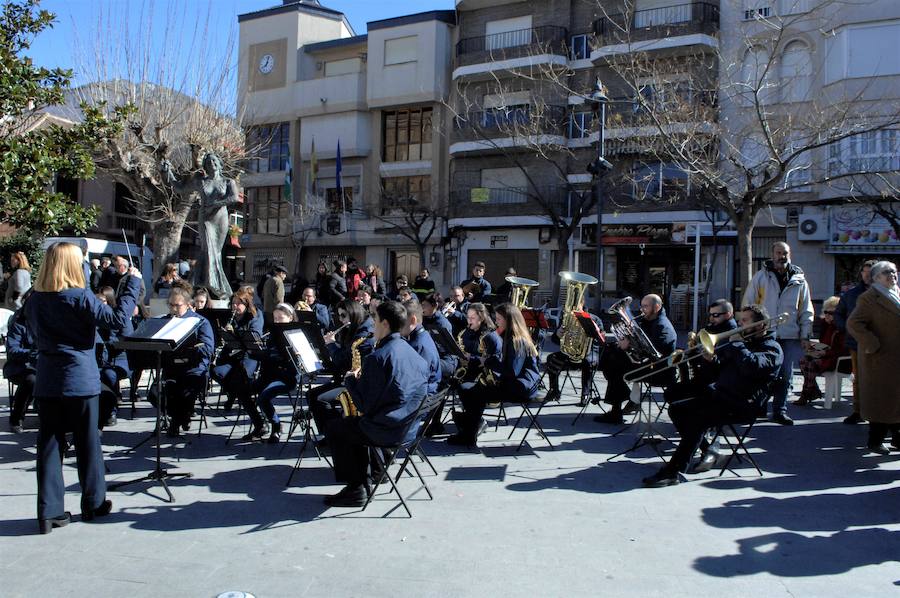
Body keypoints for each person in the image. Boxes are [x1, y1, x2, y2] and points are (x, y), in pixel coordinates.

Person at [24, 242, 141, 533]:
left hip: (49, 378)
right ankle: (93, 503)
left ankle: (48, 511)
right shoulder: (80, 297)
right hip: (79, 378)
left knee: (50, 445)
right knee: (88, 443)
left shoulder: (35, 299)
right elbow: (116, 320)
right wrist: (133, 284)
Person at [642, 304, 784, 487]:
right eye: (739, 320)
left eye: (745, 321)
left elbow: (752, 367)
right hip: (721, 395)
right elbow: (723, 368)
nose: (739, 324)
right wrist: (711, 360)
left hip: (743, 404)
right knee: (677, 409)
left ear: (761, 325)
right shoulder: (743, 343)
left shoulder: (772, 348)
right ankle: (708, 448)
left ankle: (672, 471)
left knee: (698, 419)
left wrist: (737, 345)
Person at [323, 301, 429, 507]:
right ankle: (376, 471)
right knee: (352, 426)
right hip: (410, 427)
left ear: (386, 324)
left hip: (388, 430)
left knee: (336, 427)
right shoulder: (411, 351)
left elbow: (364, 406)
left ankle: (356, 488)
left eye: (375, 320)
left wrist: (351, 381)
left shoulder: (378, 357)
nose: (372, 325)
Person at [449, 303, 540, 448]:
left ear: (508, 320)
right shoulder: (510, 336)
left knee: (476, 393)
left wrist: (486, 361)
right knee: (471, 390)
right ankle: (469, 429)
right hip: (515, 383)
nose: (496, 321)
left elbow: (511, 371)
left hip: (522, 388)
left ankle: (469, 434)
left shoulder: (517, 340)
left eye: (499, 318)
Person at [742, 242, 814, 425]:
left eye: (785, 253)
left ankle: (780, 410)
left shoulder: (800, 280)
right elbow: (749, 303)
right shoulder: (760, 277)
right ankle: (759, 407)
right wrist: (748, 329)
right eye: (779, 252)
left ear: (790, 254)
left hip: (789, 334)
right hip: (764, 334)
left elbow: (806, 309)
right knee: (764, 372)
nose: (782, 256)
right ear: (772, 254)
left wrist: (805, 335)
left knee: (785, 375)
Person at [662, 299, 738, 473]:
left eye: (716, 315)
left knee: (685, 407)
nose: (711, 318)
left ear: (728, 315)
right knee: (672, 394)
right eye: (710, 314)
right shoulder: (712, 329)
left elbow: (728, 366)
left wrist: (712, 359)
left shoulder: (733, 334)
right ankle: (705, 445)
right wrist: (693, 352)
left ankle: (709, 446)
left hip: (717, 385)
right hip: (704, 380)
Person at [595, 294, 677, 425]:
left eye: (645, 306)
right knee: (611, 354)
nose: (641, 309)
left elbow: (654, 354)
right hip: (648, 365)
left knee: (616, 368)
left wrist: (628, 345)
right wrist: (625, 342)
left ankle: (618, 411)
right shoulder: (649, 320)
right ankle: (628, 400)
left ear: (656, 307)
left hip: (659, 371)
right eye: (642, 306)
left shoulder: (663, 326)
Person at [847, 261, 900, 455]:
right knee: (882, 401)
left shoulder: (897, 292)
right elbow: (853, 323)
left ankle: (897, 438)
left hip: (896, 358)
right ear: (876, 277)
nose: (892, 275)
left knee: (895, 401)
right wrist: (872, 344)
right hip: (880, 358)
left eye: (894, 271)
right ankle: (875, 441)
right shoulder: (869, 298)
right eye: (887, 272)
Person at [308, 299, 375, 437]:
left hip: (357, 382)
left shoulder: (364, 334)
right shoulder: (355, 328)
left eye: (343, 315)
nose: (341, 319)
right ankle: (328, 433)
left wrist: (331, 345)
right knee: (311, 394)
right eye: (339, 316)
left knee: (319, 399)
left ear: (354, 313)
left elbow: (343, 360)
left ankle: (332, 434)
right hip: (347, 377)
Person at [153, 286, 215, 436]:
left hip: (193, 368)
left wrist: (187, 347)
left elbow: (208, 349)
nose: (173, 309)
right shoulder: (165, 321)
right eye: (171, 305)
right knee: (155, 392)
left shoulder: (200, 322)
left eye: (177, 305)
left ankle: (177, 420)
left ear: (188, 304)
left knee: (185, 392)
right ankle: (180, 416)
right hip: (171, 367)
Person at [213, 287, 265, 433]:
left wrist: (235, 332)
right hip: (232, 353)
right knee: (216, 372)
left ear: (247, 304)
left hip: (249, 354)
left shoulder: (256, 315)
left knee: (240, 381)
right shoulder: (231, 316)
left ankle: (258, 422)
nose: (235, 307)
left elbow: (255, 334)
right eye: (233, 303)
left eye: (238, 303)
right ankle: (233, 393)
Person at [833, 259, 877, 424]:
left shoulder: (887, 293)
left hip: (881, 343)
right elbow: (838, 314)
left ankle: (878, 413)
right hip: (856, 343)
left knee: (880, 379)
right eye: (864, 272)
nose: (867, 275)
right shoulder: (851, 294)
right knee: (858, 378)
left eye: (871, 272)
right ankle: (858, 411)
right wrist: (846, 328)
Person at [249, 302, 299, 443]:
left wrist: (270, 355)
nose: (276, 321)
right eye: (275, 318)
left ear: (290, 318)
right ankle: (259, 424)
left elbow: (289, 360)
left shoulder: (294, 334)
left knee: (263, 397)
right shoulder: (272, 334)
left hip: (285, 377)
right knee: (243, 391)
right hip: (269, 375)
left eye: (280, 318)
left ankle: (276, 425)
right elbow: (267, 357)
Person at [795, 296, 850, 405]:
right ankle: (811, 390)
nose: (827, 316)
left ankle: (807, 392)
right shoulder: (826, 325)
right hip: (827, 356)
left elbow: (843, 350)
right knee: (804, 360)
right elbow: (825, 344)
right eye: (826, 312)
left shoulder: (843, 328)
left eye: (831, 313)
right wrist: (813, 347)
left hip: (839, 361)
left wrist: (825, 352)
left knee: (810, 364)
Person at [94, 286, 133, 428]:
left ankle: (111, 410)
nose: (99, 306)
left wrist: (109, 340)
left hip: (120, 359)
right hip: (99, 360)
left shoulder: (118, 318)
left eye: (103, 302)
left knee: (109, 374)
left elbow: (126, 340)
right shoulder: (94, 319)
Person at [5, 296, 37, 433]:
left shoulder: (48, 322)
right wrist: (33, 353)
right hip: (20, 366)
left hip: (44, 365)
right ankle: (16, 418)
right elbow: (12, 349)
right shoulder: (19, 323)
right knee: (32, 379)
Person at [402, 299, 441, 396]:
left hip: (422, 399)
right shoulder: (423, 335)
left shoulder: (419, 345)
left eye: (402, 321)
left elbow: (415, 382)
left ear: (413, 320)